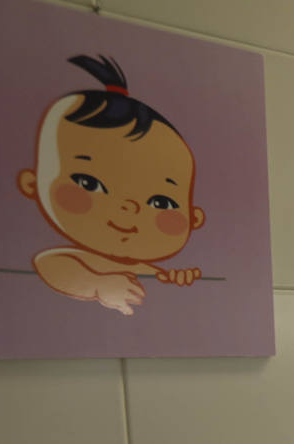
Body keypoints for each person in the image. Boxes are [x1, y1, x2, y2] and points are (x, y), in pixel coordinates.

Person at [18, 55, 208, 315]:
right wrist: (97, 285)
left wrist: (174, 277)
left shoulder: (142, 264)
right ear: (33, 184)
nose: (129, 208)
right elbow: (50, 267)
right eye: (89, 183)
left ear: (193, 218)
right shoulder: (70, 259)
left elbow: (153, 282)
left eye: (160, 202)